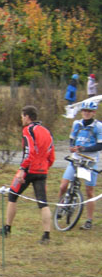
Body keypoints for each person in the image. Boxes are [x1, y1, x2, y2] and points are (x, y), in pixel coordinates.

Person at [0, 106, 55, 244]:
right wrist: (45, 167)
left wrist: (22, 169)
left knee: (12, 195)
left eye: (22, 116)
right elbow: (52, 156)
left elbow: (29, 151)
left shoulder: (28, 130)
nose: (21, 119)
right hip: (42, 171)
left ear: (27, 117)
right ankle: (46, 235)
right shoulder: (47, 132)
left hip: (28, 170)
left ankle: (7, 229)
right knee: (43, 202)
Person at [57, 99, 102, 230]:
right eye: (84, 111)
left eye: (89, 111)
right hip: (76, 159)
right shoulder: (76, 124)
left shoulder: (98, 126)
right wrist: (72, 147)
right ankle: (60, 207)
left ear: (93, 113)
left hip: (90, 161)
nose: (86, 113)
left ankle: (89, 220)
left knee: (89, 191)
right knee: (63, 185)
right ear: (81, 112)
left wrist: (84, 149)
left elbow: (100, 145)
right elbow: (72, 139)